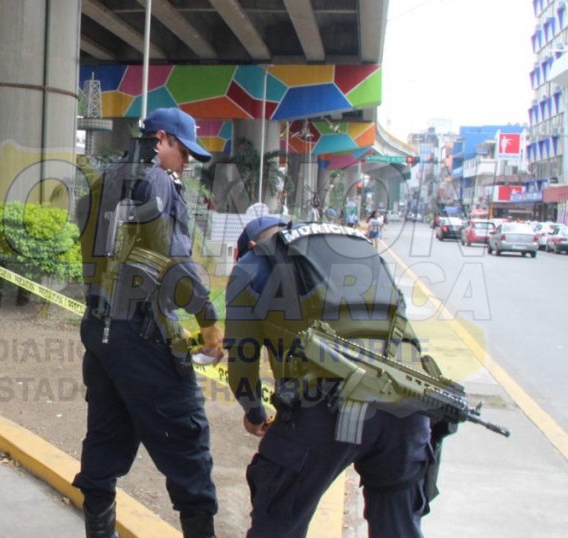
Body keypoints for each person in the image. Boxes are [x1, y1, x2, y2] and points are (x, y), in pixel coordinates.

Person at [226, 217, 436, 538]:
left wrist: (254, 412)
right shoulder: (356, 247)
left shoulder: (251, 266)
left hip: (325, 406)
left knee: (279, 520)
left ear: (250, 247)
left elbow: (243, 362)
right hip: (406, 400)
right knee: (399, 528)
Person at [72, 108, 224, 538]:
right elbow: (171, 259)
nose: (188, 162)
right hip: (145, 332)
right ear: (163, 140)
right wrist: (208, 318)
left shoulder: (107, 178)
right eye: (184, 150)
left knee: (105, 437)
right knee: (187, 444)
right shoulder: (157, 178)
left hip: (102, 330)